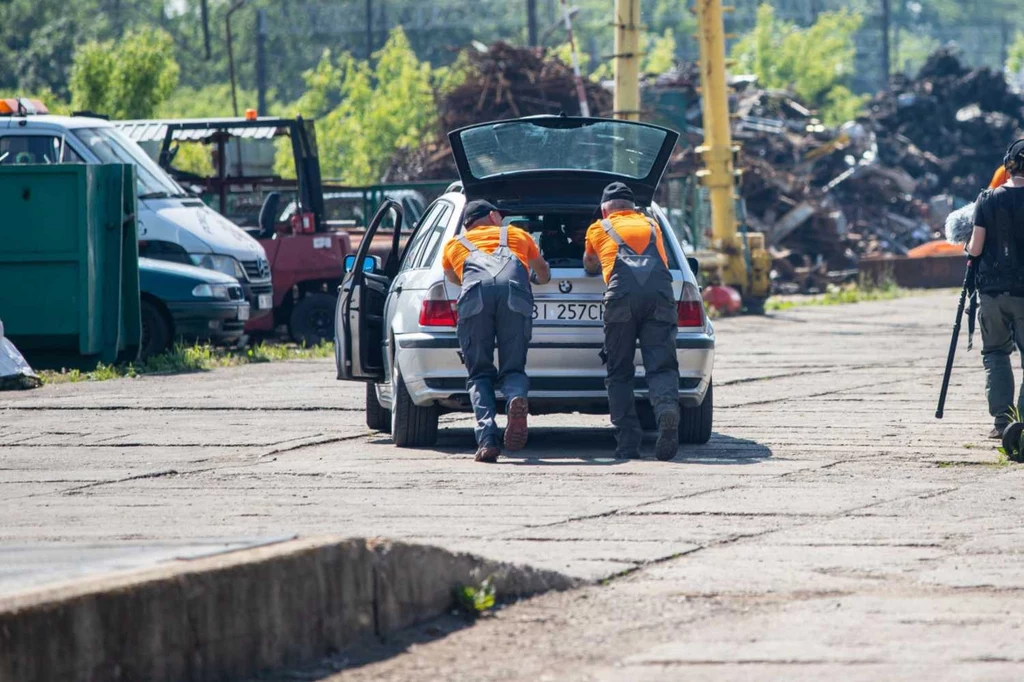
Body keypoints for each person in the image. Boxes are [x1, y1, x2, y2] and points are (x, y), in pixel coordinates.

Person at [442, 200, 551, 462]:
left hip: (474, 299)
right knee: (513, 368)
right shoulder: (518, 235)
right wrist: (534, 277)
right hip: (515, 297)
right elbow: (543, 273)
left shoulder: (454, 245)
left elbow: (455, 279)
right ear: (492, 216)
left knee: (479, 372)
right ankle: (515, 397)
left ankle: (487, 439)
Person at [583, 182, 679, 460]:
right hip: (660, 297)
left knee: (620, 371)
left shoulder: (597, 229)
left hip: (621, 299)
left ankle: (628, 443)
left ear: (605, 210)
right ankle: (666, 413)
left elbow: (589, 264)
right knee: (661, 366)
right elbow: (662, 258)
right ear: (633, 207)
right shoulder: (651, 225)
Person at [967, 140, 1024, 438]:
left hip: (992, 294)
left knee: (996, 354)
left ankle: (1003, 422)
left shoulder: (987, 199)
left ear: (1009, 165)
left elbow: (975, 248)